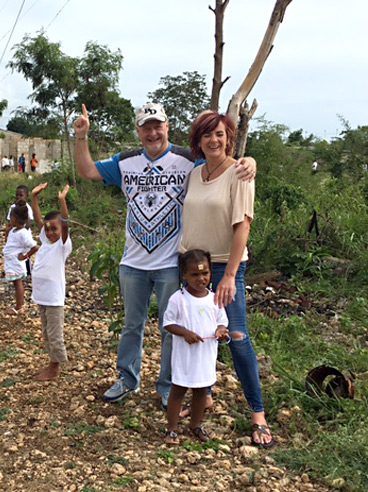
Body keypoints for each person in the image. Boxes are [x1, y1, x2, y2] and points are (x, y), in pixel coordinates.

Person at [72, 102, 256, 409]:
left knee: (171, 327)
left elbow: (222, 161)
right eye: (146, 127)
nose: (153, 132)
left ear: (167, 127)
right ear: (139, 132)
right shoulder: (126, 162)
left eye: (158, 126)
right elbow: (87, 170)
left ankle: (169, 386)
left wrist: (249, 161)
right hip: (132, 263)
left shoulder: (188, 160)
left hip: (173, 264)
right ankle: (127, 379)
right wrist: (81, 137)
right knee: (132, 324)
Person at [181, 110, 274, 448]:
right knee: (202, 334)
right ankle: (202, 396)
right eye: (207, 134)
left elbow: (243, 226)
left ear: (229, 137)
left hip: (222, 267)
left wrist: (230, 275)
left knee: (236, 336)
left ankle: (258, 413)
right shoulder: (194, 174)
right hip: (191, 267)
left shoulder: (240, 173)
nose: (213, 140)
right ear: (198, 141)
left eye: (219, 134)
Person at [163, 249, 229, 445]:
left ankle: (196, 425)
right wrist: (185, 333)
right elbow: (168, 323)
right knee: (178, 390)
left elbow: (222, 322)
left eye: (205, 273)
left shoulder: (214, 298)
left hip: (205, 356)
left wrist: (221, 331)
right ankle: (172, 428)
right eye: (195, 274)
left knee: (201, 391)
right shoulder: (178, 298)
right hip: (185, 357)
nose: (201, 278)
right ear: (183, 275)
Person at [30, 182, 73, 381]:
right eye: (47, 230)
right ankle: (51, 363)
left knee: (55, 336)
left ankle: (55, 368)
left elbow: (65, 223)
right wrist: (34, 198)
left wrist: (62, 201)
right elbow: (39, 220)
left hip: (54, 299)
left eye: (54, 229)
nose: (50, 233)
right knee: (47, 334)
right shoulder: (46, 241)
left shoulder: (63, 245)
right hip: (42, 297)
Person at [3, 202, 38, 315]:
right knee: (16, 283)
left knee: (18, 283)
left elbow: (34, 246)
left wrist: (25, 256)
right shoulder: (14, 230)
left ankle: (19, 307)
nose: (10, 220)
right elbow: (8, 242)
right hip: (11, 262)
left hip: (16, 263)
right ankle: (19, 305)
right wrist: (7, 231)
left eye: (11, 217)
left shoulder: (23, 233)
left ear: (16, 218)